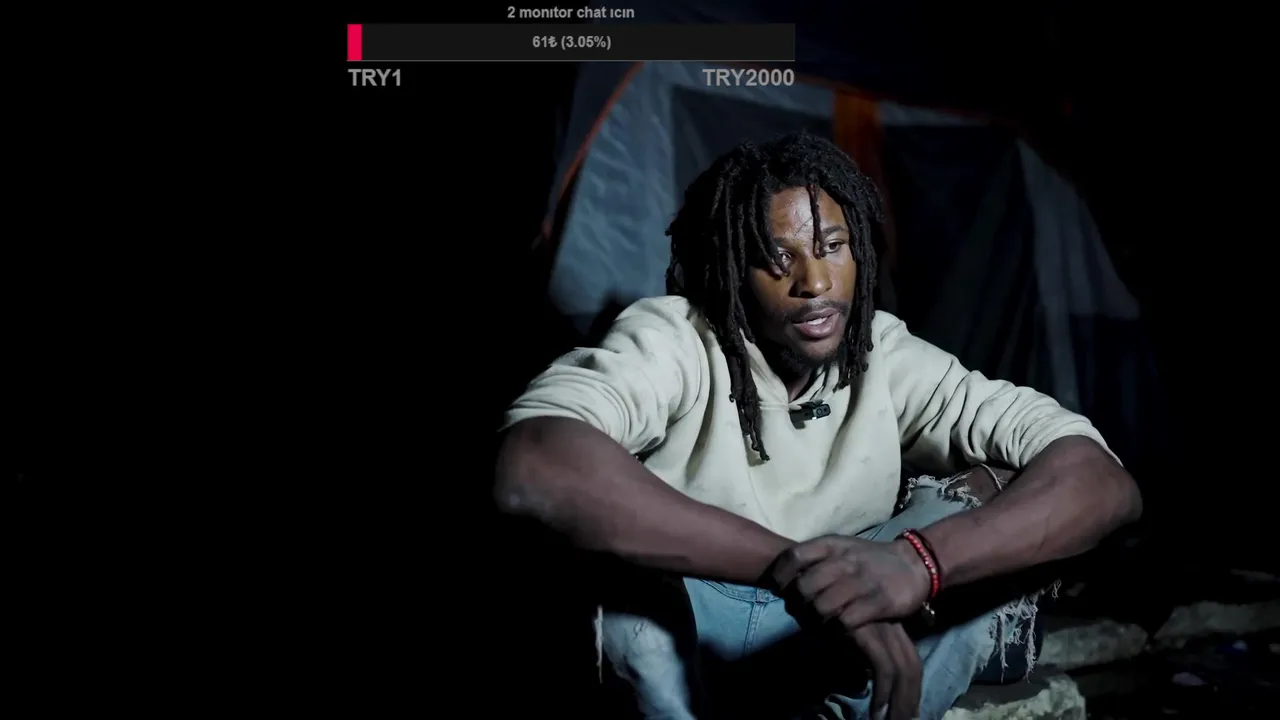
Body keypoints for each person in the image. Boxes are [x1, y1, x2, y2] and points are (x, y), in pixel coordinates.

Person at [493, 132, 1142, 720]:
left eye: (832, 247)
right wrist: (793, 569)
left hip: (847, 629)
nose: (814, 281)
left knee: (988, 511)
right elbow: (533, 467)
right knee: (622, 597)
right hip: (706, 623)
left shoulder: (883, 353)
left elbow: (1102, 482)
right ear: (731, 270)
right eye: (775, 258)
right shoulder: (675, 337)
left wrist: (918, 565)